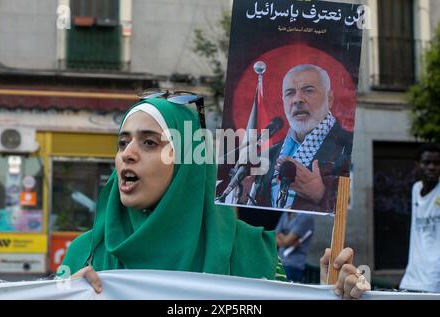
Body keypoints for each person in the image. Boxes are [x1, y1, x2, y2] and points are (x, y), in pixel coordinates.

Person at [61, 93, 369, 299]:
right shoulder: (83, 254)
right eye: (122, 143)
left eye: (150, 143)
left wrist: (328, 293)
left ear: (188, 162)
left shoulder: (251, 251)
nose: (127, 154)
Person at [253, 64, 352, 213]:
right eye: (290, 93)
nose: (297, 99)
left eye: (308, 90)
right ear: (284, 101)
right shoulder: (267, 156)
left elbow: (359, 216)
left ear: (329, 98)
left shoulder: (350, 148)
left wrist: (320, 195)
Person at [399, 143, 440, 293]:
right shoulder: (415, 189)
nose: (431, 167)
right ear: (418, 165)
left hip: (434, 282)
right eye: (427, 162)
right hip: (410, 279)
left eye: (436, 163)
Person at [275, 212, 314, 282]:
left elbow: (287, 241)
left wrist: (280, 235)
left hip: (293, 265)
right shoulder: (285, 213)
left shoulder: (306, 217)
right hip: (279, 262)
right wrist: (284, 239)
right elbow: (275, 236)